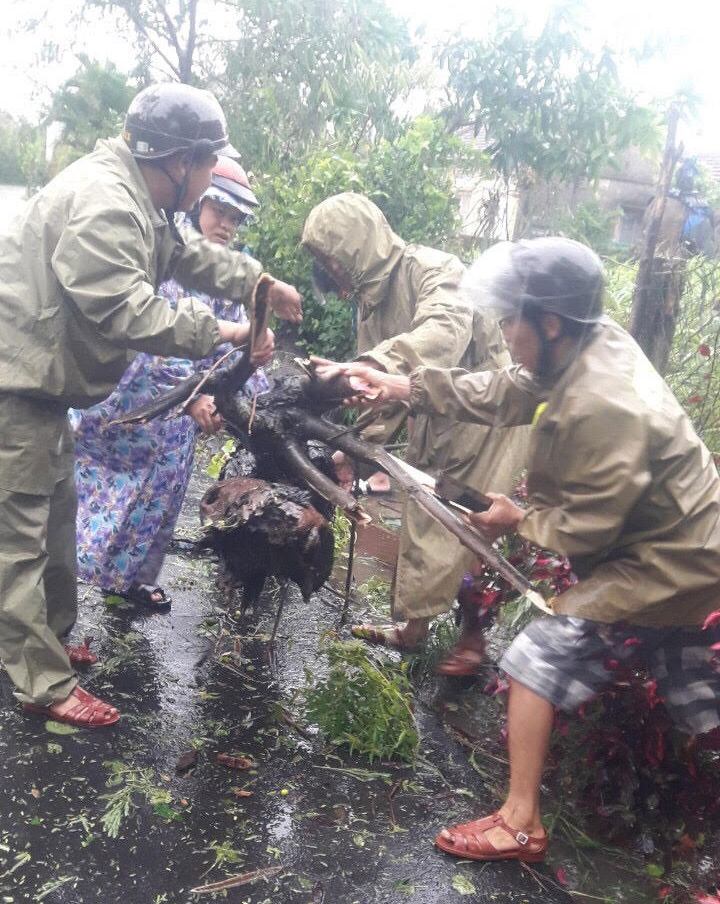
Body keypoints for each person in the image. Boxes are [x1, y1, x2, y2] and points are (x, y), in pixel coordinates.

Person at [323, 236, 720, 861]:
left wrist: (518, 519)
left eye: (511, 319)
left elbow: (589, 528)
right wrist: (402, 386)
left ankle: (520, 822)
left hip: (666, 561)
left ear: (551, 322)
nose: (503, 331)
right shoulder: (581, 347)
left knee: (536, 658)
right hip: (695, 551)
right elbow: (503, 391)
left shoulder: (601, 402)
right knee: (698, 694)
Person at [0, 82, 302, 728]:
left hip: (45, 388)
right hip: (16, 387)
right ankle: (40, 683)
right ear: (178, 160)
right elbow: (123, 308)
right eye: (205, 167)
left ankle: (47, 646)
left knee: (56, 523)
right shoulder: (107, 204)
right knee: (19, 541)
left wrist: (258, 285)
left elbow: (188, 255)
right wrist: (219, 331)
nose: (206, 186)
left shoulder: (141, 197)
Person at [302, 193, 527, 671]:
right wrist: (355, 453)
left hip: (486, 413)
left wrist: (373, 365)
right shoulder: (370, 300)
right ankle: (414, 631)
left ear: (356, 248)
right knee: (424, 519)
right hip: (436, 414)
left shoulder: (435, 269)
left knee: (470, 523)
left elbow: (444, 333)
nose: (331, 271)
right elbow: (379, 395)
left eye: (332, 259)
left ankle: (473, 639)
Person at [71, 156, 271, 611]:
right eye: (219, 211)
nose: (226, 224)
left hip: (179, 422)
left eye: (235, 218)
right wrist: (193, 399)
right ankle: (64, 590)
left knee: (160, 500)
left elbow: (235, 347)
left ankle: (130, 581)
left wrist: (259, 400)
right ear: (198, 204)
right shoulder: (166, 255)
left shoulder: (229, 271)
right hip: (133, 403)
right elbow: (147, 339)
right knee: (109, 496)